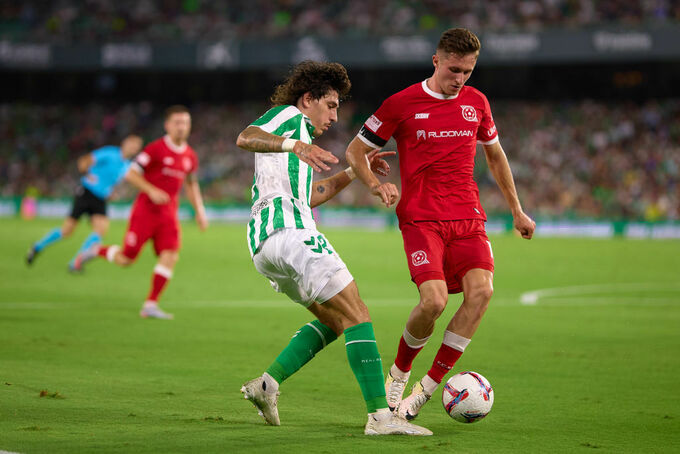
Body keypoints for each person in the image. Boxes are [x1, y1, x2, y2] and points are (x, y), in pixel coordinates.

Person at [345, 28, 536, 420]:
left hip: (468, 216)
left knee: (481, 293)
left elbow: (495, 156)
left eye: (468, 71)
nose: (460, 78)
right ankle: (399, 373)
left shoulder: (477, 103)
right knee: (433, 301)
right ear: (436, 61)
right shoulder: (401, 103)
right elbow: (355, 150)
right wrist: (375, 184)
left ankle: (427, 389)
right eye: (454, 70)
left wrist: (517, 210)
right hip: (422, 218)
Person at [236, 61, 431, 436]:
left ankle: (266, 385)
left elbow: (310, 195)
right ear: (307, 99)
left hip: (267, 245)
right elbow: (245, 137)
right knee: (357, 313)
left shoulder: (298, 143)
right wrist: (296, 144)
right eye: (330, 105)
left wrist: (354, 172)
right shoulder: (289, 117)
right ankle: (380, 417)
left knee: (335, 320)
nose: (335, 116)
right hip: (289, 232)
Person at [74, 105, 208, 319]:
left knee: (171, 255)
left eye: (185, 123)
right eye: (177, 122)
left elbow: (191, 184)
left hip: (168, 215)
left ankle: (150, 304)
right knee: (126, 259)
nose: (181, 127)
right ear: (167, 125)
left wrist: (199, 210)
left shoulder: (190, 156)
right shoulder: (155, 149)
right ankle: (96, 250)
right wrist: (151, 190)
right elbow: (131, 173)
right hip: (145, 212)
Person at [26, 135, 143, 271]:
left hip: (100, 198)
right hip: (87, 193)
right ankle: (37, 247)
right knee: (67, 230)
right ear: (125, 143)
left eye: (137, 147)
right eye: (132, 144)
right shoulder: (110, 153)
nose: (134, 148)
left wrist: (110, 192)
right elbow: (84, 160)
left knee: (100, 229)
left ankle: (76, 262)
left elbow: (110, 181)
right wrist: (87, 175)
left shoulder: (126, 165)